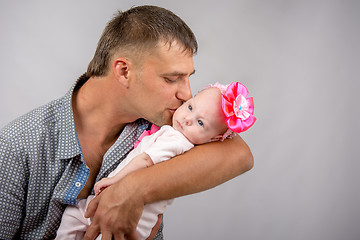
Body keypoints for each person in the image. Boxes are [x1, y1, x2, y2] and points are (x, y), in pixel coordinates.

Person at [0, 5, 254, 240]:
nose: (187, 94)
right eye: (171, 78)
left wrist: (135, 188)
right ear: (123, 71)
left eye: (187, 78)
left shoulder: (162, 124)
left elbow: (240, 155)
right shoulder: (18, 145)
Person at [55, 82, 256, 240]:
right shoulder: (180, 140)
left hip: (130, 216)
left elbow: (144, 160)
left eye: (201, 123)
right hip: (140, 220)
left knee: (76, 216)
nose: (187, 118)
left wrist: (116, 181)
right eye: (191, 107)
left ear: (214, 139)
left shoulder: (176, 140)